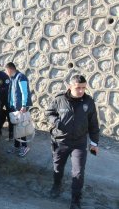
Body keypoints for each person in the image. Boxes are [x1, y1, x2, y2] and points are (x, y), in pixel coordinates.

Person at [45, 75, 100, 209]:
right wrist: (57, 122)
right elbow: (49, 113)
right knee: (58, 168)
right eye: (78, 88)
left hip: (79, 143)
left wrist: (94, 143)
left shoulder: (89, 102)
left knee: (78, 172)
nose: (81, 91)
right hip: (60, 141)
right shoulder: (60, 99)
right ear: (70, 87)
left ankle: (75, 200)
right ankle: (56, 186)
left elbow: (93, 124)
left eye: (83, 88)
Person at [4, 62, 32, 157]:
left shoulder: (21, 77)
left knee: (21, 127)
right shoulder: (12, 78)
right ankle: (16, 146)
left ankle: (25, 147)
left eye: (6, 70)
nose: (6, 72)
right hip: (14, 107)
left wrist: (24, 105)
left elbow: (24, 92)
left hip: (20, 107)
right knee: (16, 127)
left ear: (10, 69)